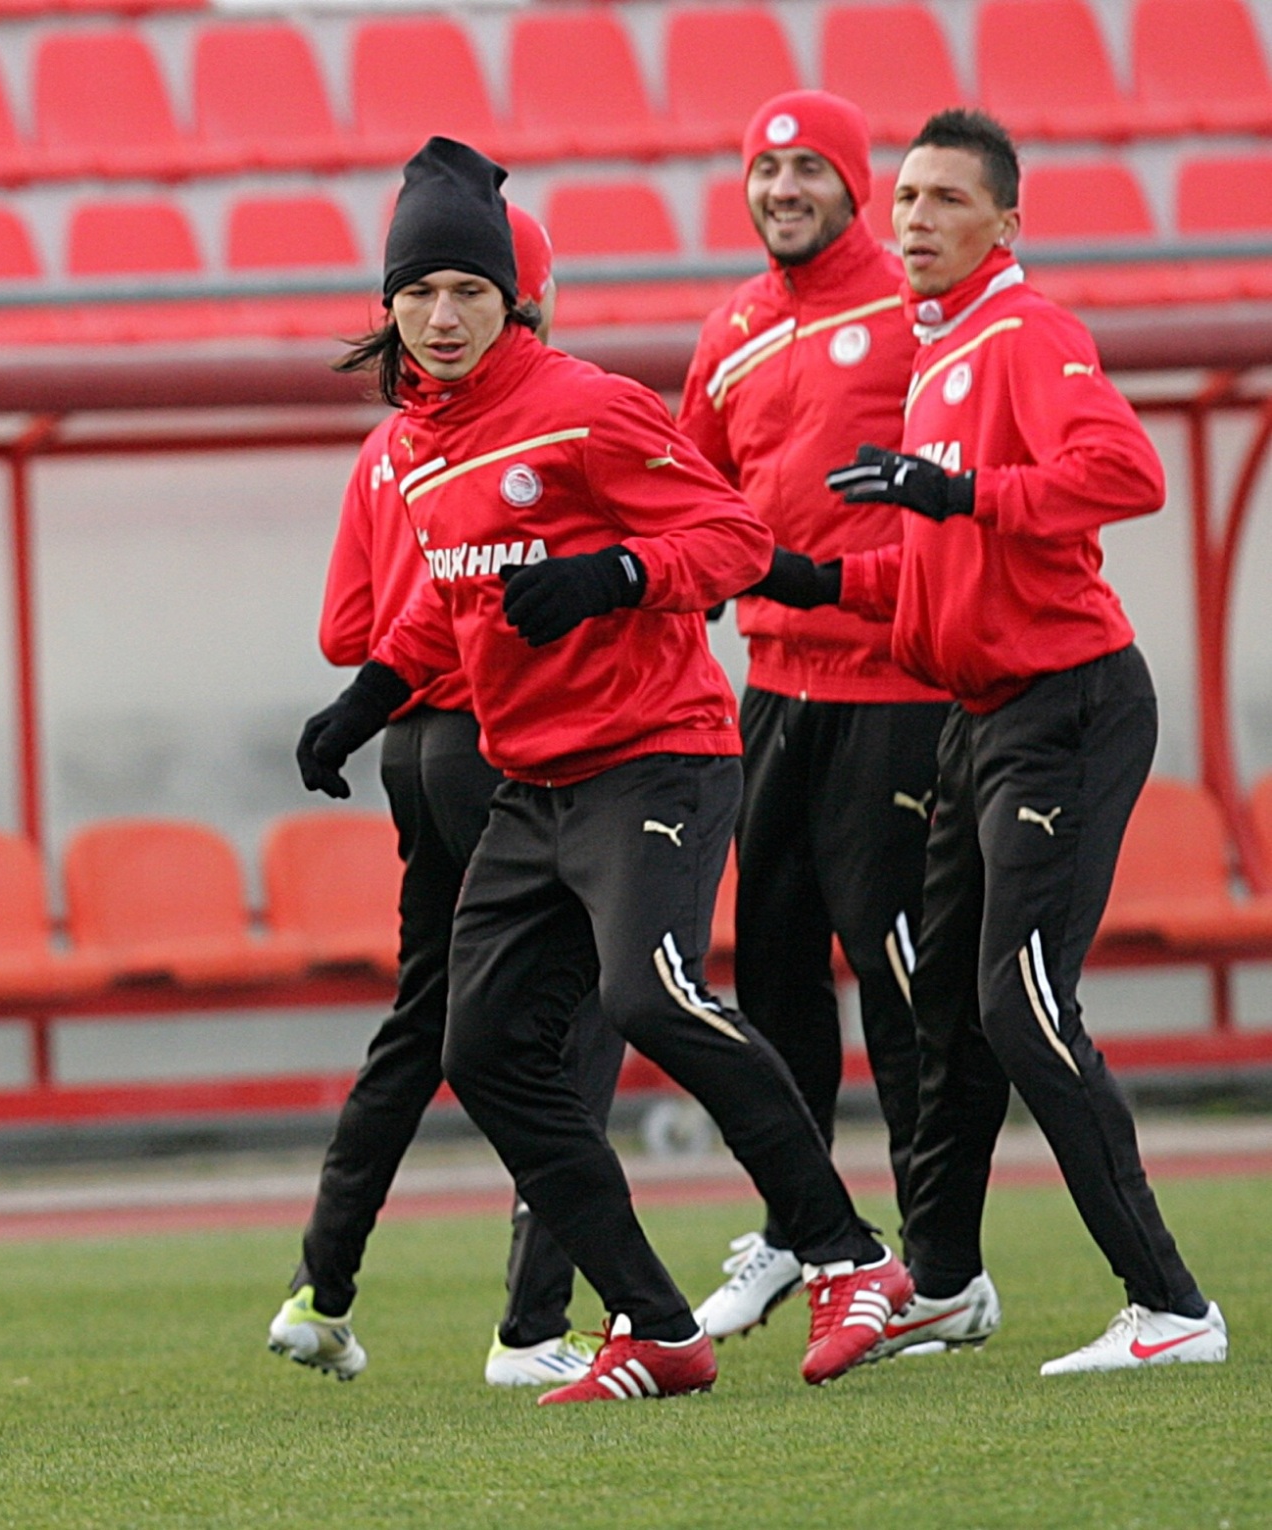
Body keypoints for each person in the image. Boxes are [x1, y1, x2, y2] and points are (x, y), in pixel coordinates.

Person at [301, 137, 913, 1405]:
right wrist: (361, 701)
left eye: (466, 291)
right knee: (479, 1052)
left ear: (506, 297)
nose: (442, 315)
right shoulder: (419, 442)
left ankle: (849, 1257)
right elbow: (450, 608)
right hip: (532, 787)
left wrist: (613, 573)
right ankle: (655, 1323)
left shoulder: (585, 403)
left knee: (646, 997)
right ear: (390, 308)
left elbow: (732, 534)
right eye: (418, 294)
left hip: (654, 760)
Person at [762, 109, 1226, 1374]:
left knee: (1021, 1007)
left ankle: (1170, 1305)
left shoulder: (1027, 331)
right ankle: (947, 1283)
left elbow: (1126, 473)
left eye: (943, 201)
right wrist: (800, 577)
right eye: (903, 197)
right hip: (977, 722)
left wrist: (959, 492)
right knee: (950, 1015)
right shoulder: (938, 353)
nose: (911, 219)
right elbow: (935, 578)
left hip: (1065, 708)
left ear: (1003, 226)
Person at [275, 207, 626, 1392]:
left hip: (406, 752)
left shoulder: (385, 448)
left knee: (421, 1020)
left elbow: (341, 629)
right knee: (562, 1025)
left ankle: (318, 1290)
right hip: (506, 746)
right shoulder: (514, 429)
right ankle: (532, 1324)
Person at [674, 91, 946, 1341]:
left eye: (806, 168)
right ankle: (807, 1232)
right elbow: (687, 496)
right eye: (763, 166)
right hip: (770, 692)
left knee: (899, 984)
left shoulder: (910, 307)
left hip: (892, 687)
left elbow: (955, 499)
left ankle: (940, 1267)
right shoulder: (729, 326)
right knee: (773, 977)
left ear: (852, 183)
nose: (782, 187)